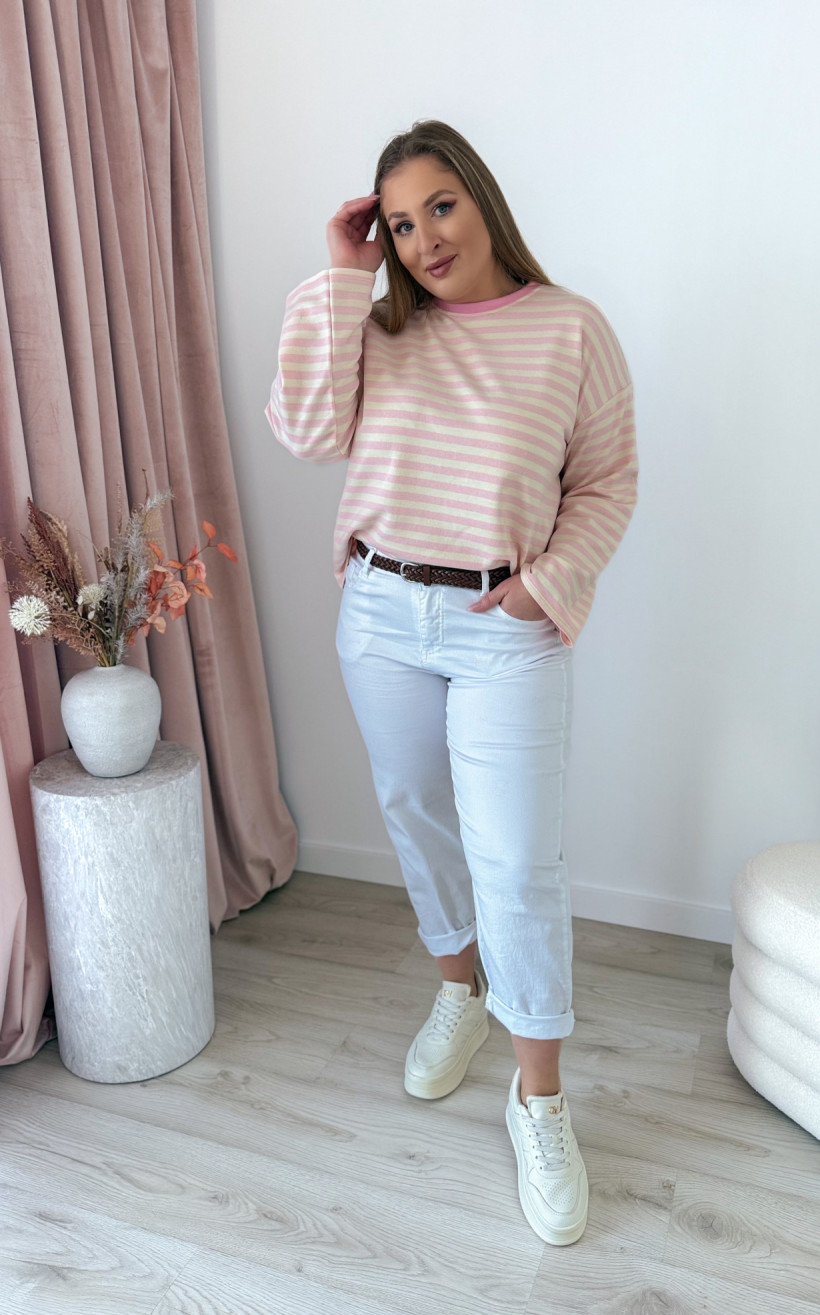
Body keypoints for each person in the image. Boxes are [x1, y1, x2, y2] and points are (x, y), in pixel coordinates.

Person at [265, 119, 637, 1246]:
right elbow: (305, 431)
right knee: (417, 814)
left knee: (517, 858)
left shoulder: (571, 327)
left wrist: (546, 585)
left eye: (440, 206)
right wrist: (344, 275)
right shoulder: (375, 327)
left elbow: (607, 481)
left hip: (501, 625)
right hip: (381, 610)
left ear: (480, 199)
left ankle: (540, 1099)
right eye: (398, 222)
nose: (423, 237)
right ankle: (459, 989)